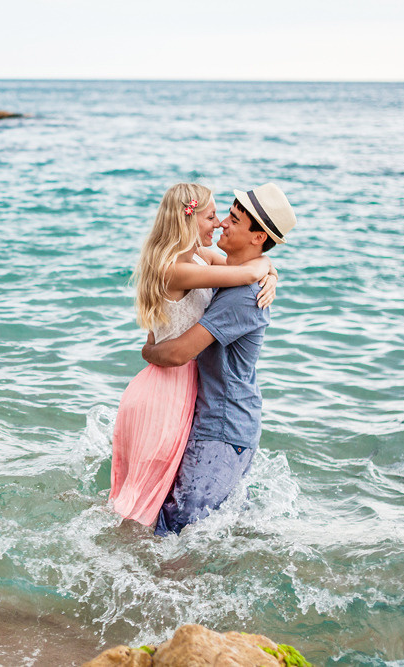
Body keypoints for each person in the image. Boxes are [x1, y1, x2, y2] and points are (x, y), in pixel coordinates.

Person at [108, 183, 278, 528]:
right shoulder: (180, 268)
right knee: (160, 517)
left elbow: (246, 270)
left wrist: (270, 269)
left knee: (149, 506)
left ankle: (135, 571)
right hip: (168, 393)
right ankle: (143, 576)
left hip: (186, 398)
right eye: (213, 216)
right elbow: (246, 271)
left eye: (227, 218)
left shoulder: (199, 260)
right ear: (188, 221)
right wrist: (266, 269)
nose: (219, 224)